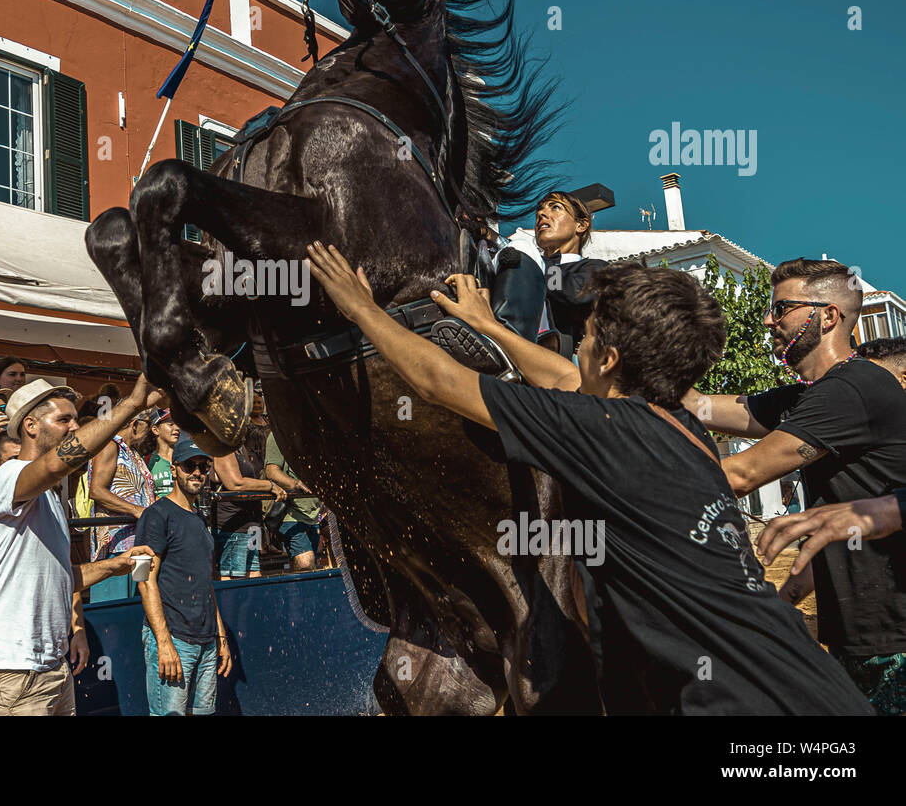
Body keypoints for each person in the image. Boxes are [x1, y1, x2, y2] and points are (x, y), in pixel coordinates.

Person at [305, 241, 872, 714]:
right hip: (813, 694)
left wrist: (361, 309)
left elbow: (438, 381)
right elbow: (559, 378)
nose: (578, 349)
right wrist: (486, 326)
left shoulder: (602, 431)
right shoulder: (676, 426)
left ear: (607, 359)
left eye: (588, 336)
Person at [688, 259, 906, 714]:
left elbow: (739, 475)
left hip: (896, 640)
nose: (769, 319)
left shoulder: (853, 390)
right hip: (858, 634)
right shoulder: (809, 395)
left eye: (781, 308)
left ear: (827, 316)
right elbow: (705, 407)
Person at [0, 376, 160, 716]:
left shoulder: (49, 498)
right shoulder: (8, 475)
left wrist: (118, 563)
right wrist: (132, 406)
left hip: (50, 670)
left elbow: (61, 577)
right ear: (31, 426)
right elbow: (54, 464)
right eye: (63, 419)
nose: (74, 427)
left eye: (75, 419)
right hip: (7, 675)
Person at [433, 190, 608, 367]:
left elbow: (568, 292)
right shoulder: (526, 259)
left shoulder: (596, 267)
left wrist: (534, 258)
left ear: (581, 225)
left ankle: (503, 342)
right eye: (540, 209)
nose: (541, 213)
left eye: (556, 207)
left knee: (520, 247)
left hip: (552, 359)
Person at [137, 431, 231, 715]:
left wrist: (220, 636)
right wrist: (164, 643)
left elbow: (205, 583)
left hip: (204, 640)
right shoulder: (155, 515)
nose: (197, 473)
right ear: (175, 467)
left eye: (204, 467)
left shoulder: (200, 518)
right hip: (173, 638)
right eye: (189, 466)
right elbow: (143, 580)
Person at [87, 407, 155, 600]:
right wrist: (136, 510)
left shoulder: (132, 452)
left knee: (137, 603)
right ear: (134, 424)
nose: (150, 432)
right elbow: (97, 490)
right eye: (148, 425)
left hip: (139, 541)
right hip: (116, 545)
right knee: (113, 605)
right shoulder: (110, 446)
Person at [212, 436, 285, 581]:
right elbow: (235, 483)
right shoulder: (222, 448)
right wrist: (269, 486)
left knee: (254, 577)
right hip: (234, 529)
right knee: (234, 584)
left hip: (252, 526)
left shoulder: (240, 447)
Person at [263, 432, 323, 571]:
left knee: (310, 567)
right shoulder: (278, 434)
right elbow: (271, 471)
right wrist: (296, 484)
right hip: (290, 515)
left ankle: (298, 592)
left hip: (314, 515)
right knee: (305, 563)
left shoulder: (317, 435)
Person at [147, 408, 179, 499]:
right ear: (155, 430)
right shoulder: (146, 461)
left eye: (177, 424)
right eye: (171, 424)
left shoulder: (186, 456)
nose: (177, 428)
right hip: (159, 510)